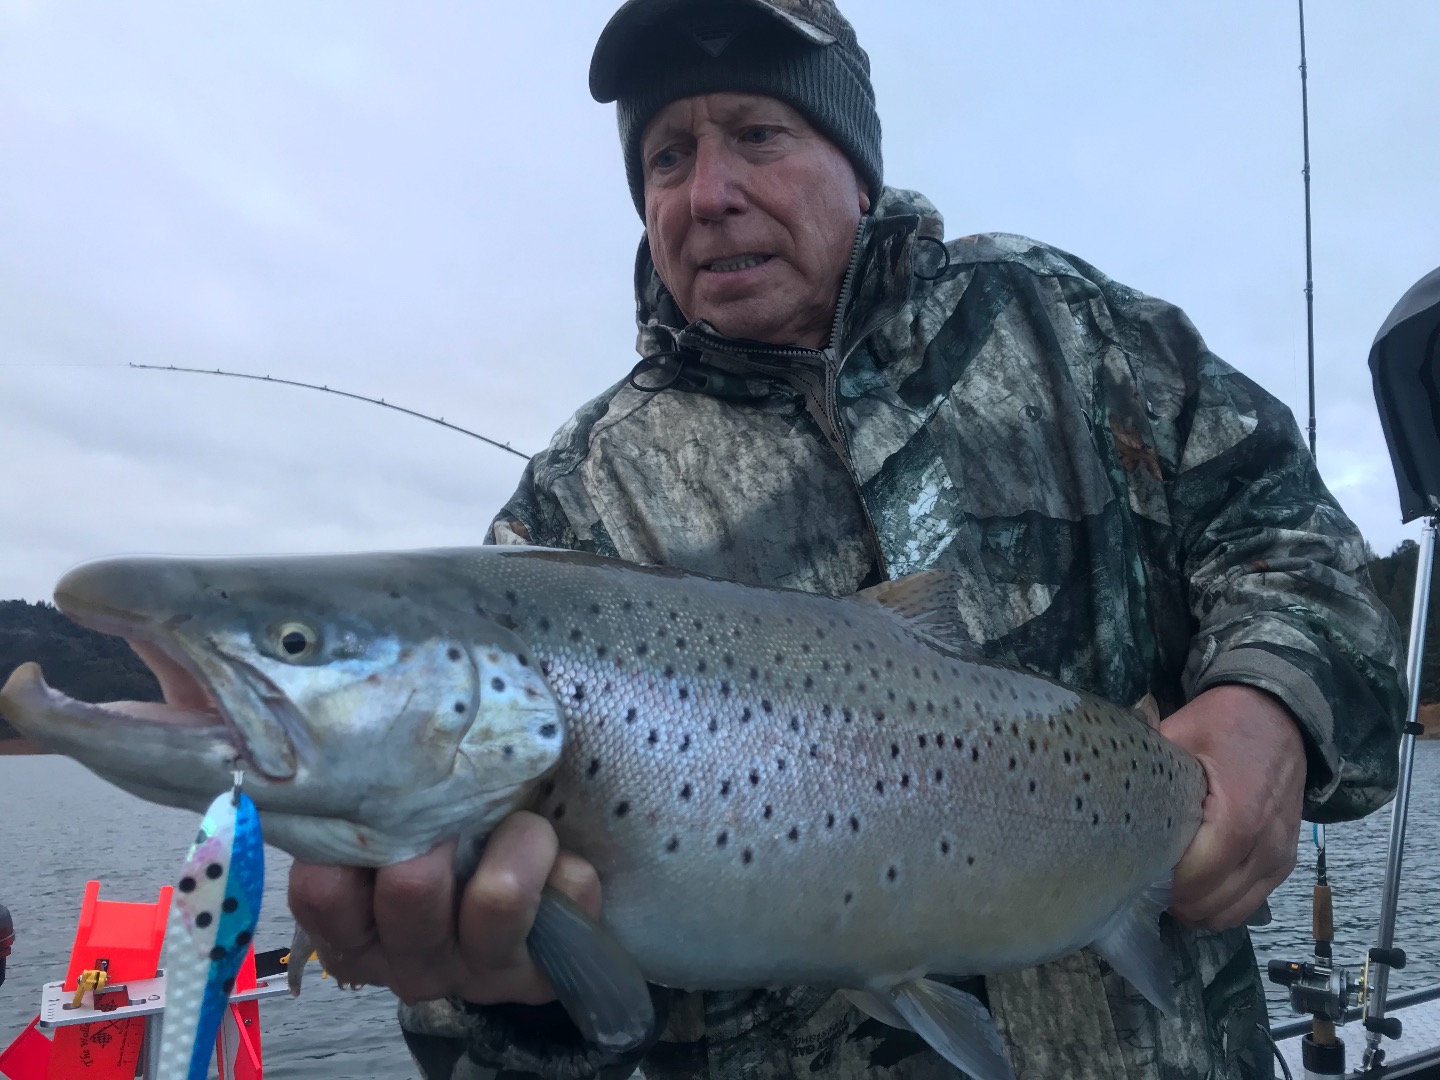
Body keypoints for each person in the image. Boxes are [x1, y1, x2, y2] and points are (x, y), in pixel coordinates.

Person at [289, 1, 1408, 1077]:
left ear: (855, 162)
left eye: (758, 134)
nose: (709, 193)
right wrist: (507, 997)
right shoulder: (568, 516)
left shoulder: (1070, 326)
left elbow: (1298, 543)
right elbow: (505, 1039)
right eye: (667, 157)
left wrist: (1274, 705)